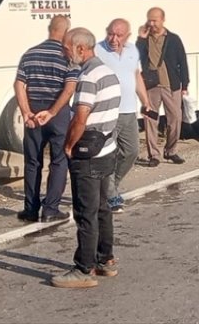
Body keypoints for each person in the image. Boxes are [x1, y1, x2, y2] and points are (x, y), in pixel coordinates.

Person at [50, 28, 121, 289]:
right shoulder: (108, 72)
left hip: (88, 153)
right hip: (107, 148)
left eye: (66, 49)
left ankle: (83, 269)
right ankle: (105, 259)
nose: (64, 54)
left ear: (81, 48)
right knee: (102, 207)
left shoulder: (88, 77)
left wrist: (69, 145)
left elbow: (81, 118)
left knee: (85, 212)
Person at [14, 15, 79, 223]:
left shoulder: (30, 53)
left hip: (34, 111)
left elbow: (19, 85)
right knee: (59, 161)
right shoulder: (68, 57)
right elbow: (69, 89)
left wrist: (26, 112)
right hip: (57, 113)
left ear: (49, 28)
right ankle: (51, 209)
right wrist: (53, 111)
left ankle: (30, 209)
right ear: (66, 32)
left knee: (33, 162)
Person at [94, 18, 152, 213]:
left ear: (127, 36)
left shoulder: (132, 51)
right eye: (110, 34)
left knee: (131, 152)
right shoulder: (97, 51)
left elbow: (136, 76)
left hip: (129, 111)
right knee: (108, 154)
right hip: (107, 113)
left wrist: (145, 101)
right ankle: (111, 196)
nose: (113, 39)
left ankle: (111, 186)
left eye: (119, 35)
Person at [137, 7, 190, 166]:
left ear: (163, 20)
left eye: (155, 20)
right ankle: (153, 155)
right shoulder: (145, 40)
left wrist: (185, 84)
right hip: (151, 86)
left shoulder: (173, 39)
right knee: (150, 120)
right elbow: (135, 56)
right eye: (149, 20)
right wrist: (140, 39)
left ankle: (171, 151)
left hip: (171, 85)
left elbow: (182, 62)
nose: (152, 23)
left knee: (175, 119)